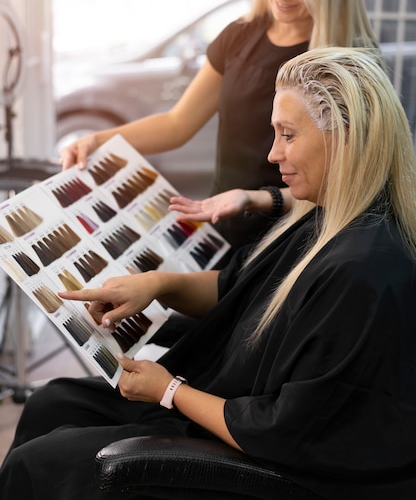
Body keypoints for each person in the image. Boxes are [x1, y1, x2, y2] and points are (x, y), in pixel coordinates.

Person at [2, 46, 416, 500]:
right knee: (51, 401)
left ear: (346, 136)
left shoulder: (363, 271)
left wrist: (169, 390)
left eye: (288, 135)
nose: (273, 153)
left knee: (38, 463)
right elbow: (237, 290)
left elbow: (287, 432)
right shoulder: (322, 217)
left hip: (262, 459)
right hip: (233, 407)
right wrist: (156, 285)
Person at [60, 0, 378, 251]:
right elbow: (176, 124)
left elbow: (348, 184)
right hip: (221, 226)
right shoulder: (239, 36)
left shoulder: (349, 62)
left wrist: (257, 198)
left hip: (295, 241)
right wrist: (98, 140)